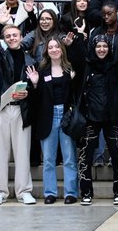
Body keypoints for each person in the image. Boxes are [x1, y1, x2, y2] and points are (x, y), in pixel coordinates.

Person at [76, 24, 118, 204]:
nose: (101, 49)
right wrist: (79, 36)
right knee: (86, 157)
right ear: (93, 48)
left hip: (112, 117)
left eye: (105, 46)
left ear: (109, 48)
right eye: (98, 46)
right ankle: (86, 192)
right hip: (90, 118)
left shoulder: (115, 65)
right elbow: (75, 55)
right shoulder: (87, 65)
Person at [0, 9, 37, 205]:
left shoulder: (30, 59)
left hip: (21, 109)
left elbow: (35, 86)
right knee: (0, 150)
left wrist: (31, 89)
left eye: (15, 35)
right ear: (4, 39)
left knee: (22, 150)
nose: (12, 38)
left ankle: (24, 190)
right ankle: (1, 191)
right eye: (8, 36)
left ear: (21, 37)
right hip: (1, 107)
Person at [27, 37, 79, 204]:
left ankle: (71, 193)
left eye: (57, 46)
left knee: (69, 157)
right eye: (51, 47)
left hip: (65, 117)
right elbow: (35, 101)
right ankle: (50, 193)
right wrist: (35, 84)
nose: (54, 49)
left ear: (62, 49)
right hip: (47, 117)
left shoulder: (70, 69)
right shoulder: (41, 72)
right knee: (48, 159)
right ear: (47, 51)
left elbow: (76, 95)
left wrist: (74, 80)